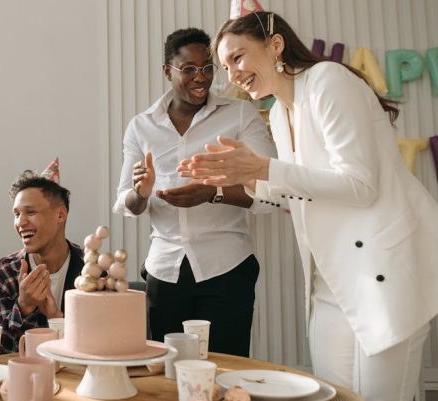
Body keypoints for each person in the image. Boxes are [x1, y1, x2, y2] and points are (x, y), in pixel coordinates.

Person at [184, 11, 438, 400]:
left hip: (385, 272)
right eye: (225, 66)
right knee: (333, 394)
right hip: (331, 281)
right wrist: (242, 178)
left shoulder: (329, 82)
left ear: (275, 45)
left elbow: (359, 185)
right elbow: (299, 189)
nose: (232, 74)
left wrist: (262, 166)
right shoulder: (282, 113)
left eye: (237, 57)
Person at [113, 27, 276, 357]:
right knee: (169, 373)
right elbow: (125, 202)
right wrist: (141, 192)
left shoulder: (240, 115)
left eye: (207, 68)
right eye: (188, 69)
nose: (201, 78)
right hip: (164, 273)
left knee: (225, 369)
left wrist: (211, 192)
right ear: (167, 71)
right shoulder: (141, 126)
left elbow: (271, 194)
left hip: (226, 269)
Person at [0, 168, 83, 354]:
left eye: (30, 212)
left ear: (61, 215)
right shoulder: (4, 274)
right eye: (16, 214)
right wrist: (23, 306)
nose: (20, 223)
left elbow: (102, 347)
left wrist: (56, 317)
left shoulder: (92, 271)